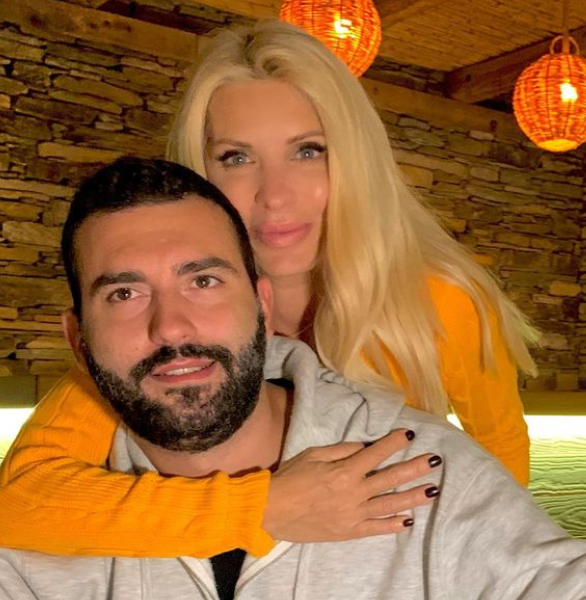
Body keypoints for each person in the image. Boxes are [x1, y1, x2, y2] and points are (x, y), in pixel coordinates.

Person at [0, 19, 537, 557]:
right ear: (200, 171)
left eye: (308, 150)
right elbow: (18, 503)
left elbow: (500, 467)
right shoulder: (159, 332)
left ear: (355, 159)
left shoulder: (444, 300)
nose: (274, 195)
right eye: (236, 157)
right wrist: (264, 509)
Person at [0, 157, 583, 600]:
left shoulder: (430, 472)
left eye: (203, 281)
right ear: (78, 340)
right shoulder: (26, 550)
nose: (170, 326)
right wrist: (259, 507)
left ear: (262, 304)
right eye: (124, 294)